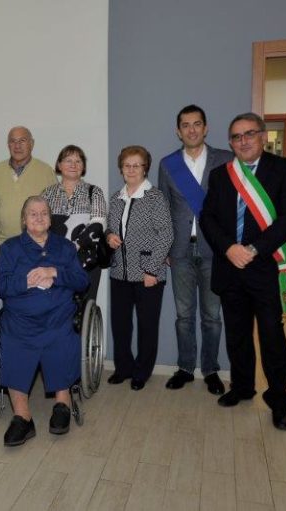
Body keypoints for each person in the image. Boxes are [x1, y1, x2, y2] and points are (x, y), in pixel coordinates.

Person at [200, 112, 286, 431]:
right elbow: (208, 219)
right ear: (230, 142)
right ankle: (242, 388)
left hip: (265, 268)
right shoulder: (220, 175)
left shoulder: (283, 169)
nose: (242, 141)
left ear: (262, 136)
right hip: (231, 268)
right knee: (237, 335)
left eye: (248, 134)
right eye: (235, 137)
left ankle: (279, 401)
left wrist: (254, 249)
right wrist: (229, 248)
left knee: (273, 337)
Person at [0, 196, 89, 446]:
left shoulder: (65, 247)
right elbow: (2, 287)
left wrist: (54, 272)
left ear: (50, 219)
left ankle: (62, 403)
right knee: (14, 343)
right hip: (21, 321)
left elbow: (82, 281)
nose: (39, 217)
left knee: (62, 340)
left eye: (44, 213)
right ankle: (22, 417)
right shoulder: (10, 248)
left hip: (57, 317)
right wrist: (27, 280)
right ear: (23, 220)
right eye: (32, 213)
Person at [158, 105, 233, 395]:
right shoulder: (167, 164)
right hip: (179, 252)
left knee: (212, 316)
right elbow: (164, 208)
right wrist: (165, 246)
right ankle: (185, 368)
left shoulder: (225, 160)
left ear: (206, 128)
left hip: (215, 250)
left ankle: (211, 370)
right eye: (185, 125)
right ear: (178, 131)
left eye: (197, 124)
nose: (191, 129)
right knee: (183, 315)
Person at [106, 146, 174, 391]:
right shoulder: (115, 198)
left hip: (148, 274)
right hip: (119, 272)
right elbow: (109, 229)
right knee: (121, 325)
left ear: (145, 168)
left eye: (137, 165)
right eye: (127, 165)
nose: (131, 169)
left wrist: (152, 270)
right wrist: (109, 237)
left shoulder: (155, 197)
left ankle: (141, 372)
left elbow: (166, 234)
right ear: (121, 169)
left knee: (147, 326)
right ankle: (123, 368)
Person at [42, 144, 107, 300]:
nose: (73, 165)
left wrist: (74, 246)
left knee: (84, 307)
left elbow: (99, 223)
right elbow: (40, 225)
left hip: (86, 261)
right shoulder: (47, 193)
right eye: (68, 160)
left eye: (78, 161)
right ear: (59, 165)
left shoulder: (94, 191)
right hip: (55, 262)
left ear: (83, 166)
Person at [0, 126, 57, 251]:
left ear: (32, 143)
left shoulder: (46, 171)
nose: (17, 146)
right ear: (8, 145)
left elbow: (55, 211)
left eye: (22, 141)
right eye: (13, 141)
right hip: (5, 245)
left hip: (38, 244)